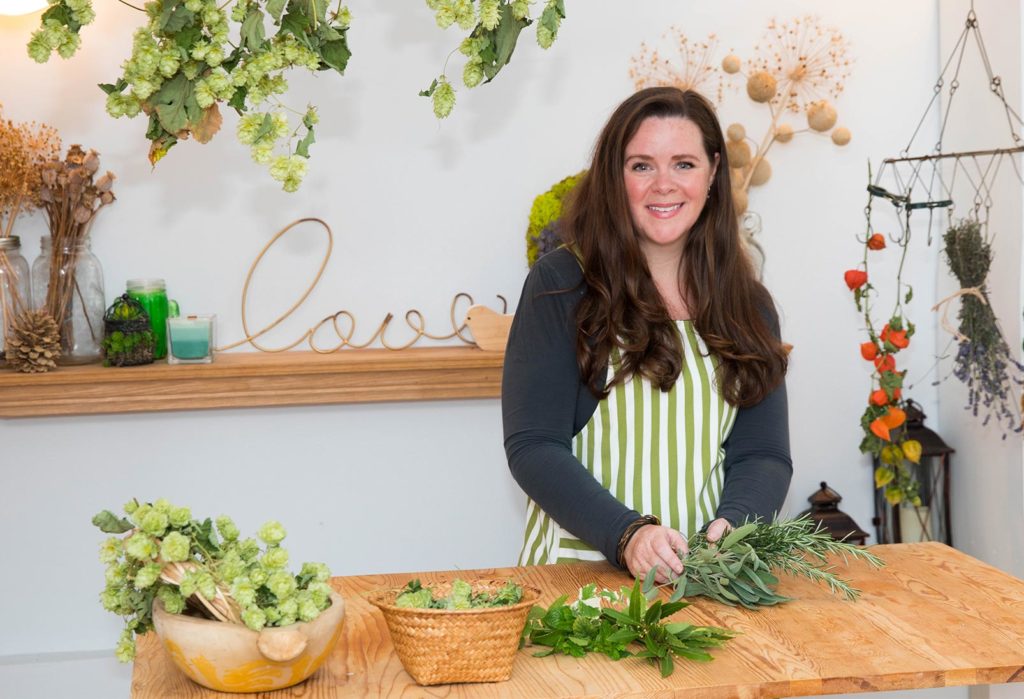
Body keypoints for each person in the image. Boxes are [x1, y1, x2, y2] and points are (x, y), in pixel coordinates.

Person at [501, 87, 791, 583]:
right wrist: (628, 534)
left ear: (713, 172)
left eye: (683, 164)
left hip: (705, 579)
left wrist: (734, 529)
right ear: (615, 177)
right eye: (641, 166)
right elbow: (534, 445)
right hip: (578, 581)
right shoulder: (563, 285)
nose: (664, 184)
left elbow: (761, 453)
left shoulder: (748, 304)